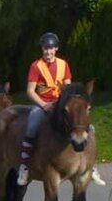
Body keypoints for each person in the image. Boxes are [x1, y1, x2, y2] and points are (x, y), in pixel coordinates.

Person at [18, 33, 72, 185]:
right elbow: (30, 91)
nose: (48, 52)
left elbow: (67, 87)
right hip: (43, 103)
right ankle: (24, 166)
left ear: (56, 49)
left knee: (83, 125)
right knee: (32, 125)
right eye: (45, 49)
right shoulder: (36, 66)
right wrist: (43, 105)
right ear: (42, 49)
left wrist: (64, 103)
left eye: (51, 49)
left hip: (60, 104)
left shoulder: (64, 64)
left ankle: (90, 165)